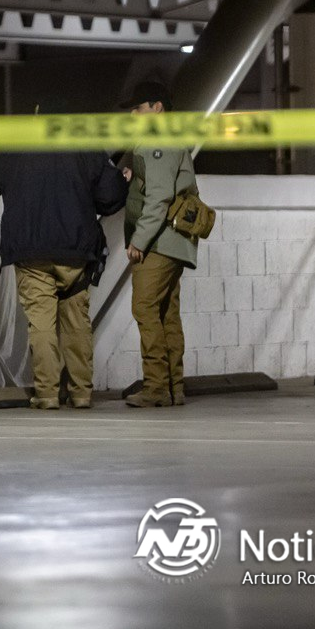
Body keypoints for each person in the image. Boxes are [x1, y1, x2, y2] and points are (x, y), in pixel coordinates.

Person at [0, 149, 128, 409]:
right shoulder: (84, 144)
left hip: (30, 250)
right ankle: (80, 393)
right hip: (76, 249)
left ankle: (47, 394)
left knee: (41, 324)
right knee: (77, 323)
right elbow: (111, 197)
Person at [121, 81, 198, 408]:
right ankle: (172, 386)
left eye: (138, 108)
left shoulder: (159, 141)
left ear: (157, 108)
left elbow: (159, 197)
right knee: (167, 313)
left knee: (144, 307)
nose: (133, 114)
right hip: (173, 241)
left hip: (160, 241)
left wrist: (138, 240)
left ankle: (155, 387)